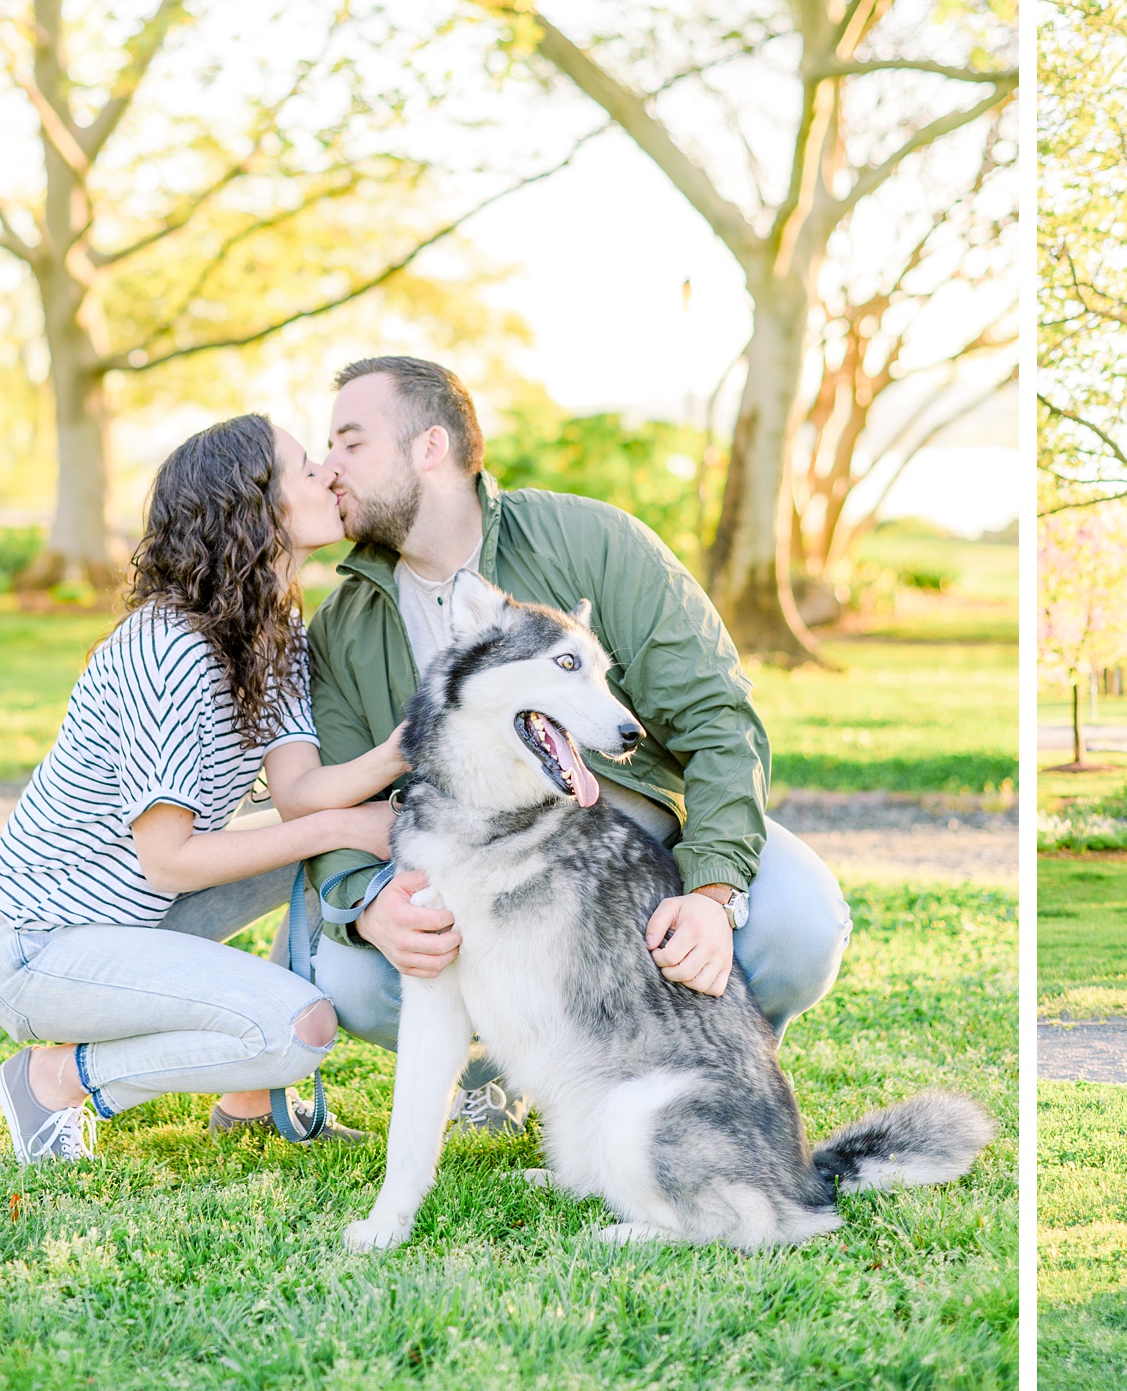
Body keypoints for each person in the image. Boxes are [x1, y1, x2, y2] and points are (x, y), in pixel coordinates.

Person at [296, 356, 852, 1135]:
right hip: (488, 876)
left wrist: (714, 894)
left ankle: (711, 1095)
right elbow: (329, 791)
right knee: (355, 979)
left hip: (645, 853)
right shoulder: (342, 624)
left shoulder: (591, 539)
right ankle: (499, 1079)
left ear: (429, 447)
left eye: (350, 443)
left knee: (798, 922)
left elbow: (719, 718)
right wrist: (366, 901)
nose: (327, 468)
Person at [0, 416, 403, 1164]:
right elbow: (168, 861)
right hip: (33, 943)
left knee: (308, 845)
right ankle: (54, 1078)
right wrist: (343, 830)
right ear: (252, 505)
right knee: (299, 1028)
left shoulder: (277, 630)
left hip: (129, 920)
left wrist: (400, 753)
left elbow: (300, 794)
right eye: (303, 467)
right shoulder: (168, 647)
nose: (328, 471)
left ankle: (249, 1103)